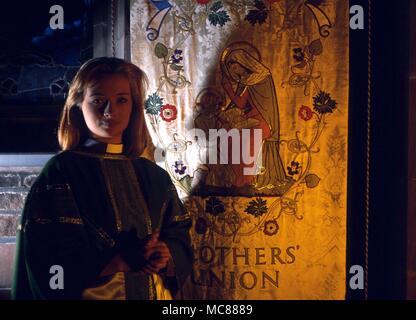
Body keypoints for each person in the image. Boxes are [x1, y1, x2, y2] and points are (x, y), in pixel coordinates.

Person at [11, 57, 193, 300]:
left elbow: (179, 233)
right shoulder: (61, 171)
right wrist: (117, 262)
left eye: (122, 100)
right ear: (78, 105)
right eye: (98, 100)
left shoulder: (154, 175)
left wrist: (166, 252)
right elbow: (46, 256)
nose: (110, 111)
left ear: (134, 107)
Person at [221, 47, 290, 192]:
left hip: (263, 123)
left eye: (235, 67)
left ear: (243, 63)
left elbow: (263, 107)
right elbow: (241, 103)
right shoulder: (246, 81)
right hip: (251, 121)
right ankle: (238, 177)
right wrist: (229, 90)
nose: (234, 72)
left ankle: (245, 180)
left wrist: (245, 117)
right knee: (228, 137)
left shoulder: (262, 79)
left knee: (248, 141)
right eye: (232, 69)